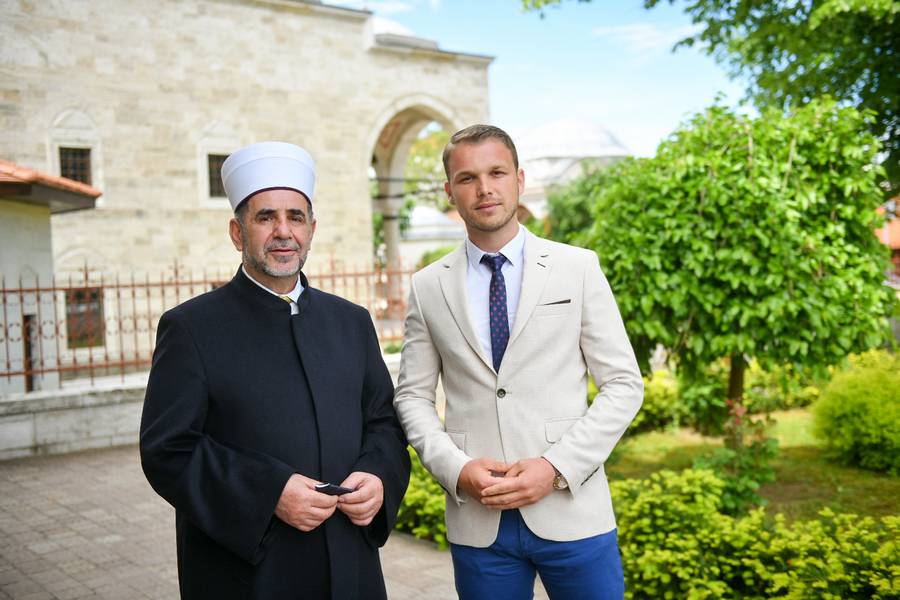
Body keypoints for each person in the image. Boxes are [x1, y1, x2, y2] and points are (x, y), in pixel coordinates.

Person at [140, 141, 410, 600]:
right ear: (237, 232)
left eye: (295, 217)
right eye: (266, 217)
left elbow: (383, 421)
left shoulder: (351, 321)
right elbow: (167, 450)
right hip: (247, 573)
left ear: (311, 229)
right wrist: (269, 493)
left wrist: (378, 475)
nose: (283, 232)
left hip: (349, 560)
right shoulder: (190, 327)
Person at [394, 125, 643, 599]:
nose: (484, 188)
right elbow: (412, 397)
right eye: (467, 178)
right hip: (479, 519)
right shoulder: (428, 286)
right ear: (449, 191)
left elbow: (623, 384)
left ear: (520, 180)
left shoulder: (577, 267)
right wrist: (455, 469)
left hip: (573, 509)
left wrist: (554, 466)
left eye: (497, 173)